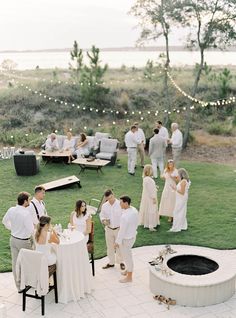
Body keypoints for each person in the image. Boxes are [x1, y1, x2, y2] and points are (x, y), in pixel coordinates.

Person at [2, 192, 34, 291]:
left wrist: (12, 229)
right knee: (30, 262)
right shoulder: (26, 213)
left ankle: (19, 287)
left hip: (13, 239)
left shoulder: (11, 210)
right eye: (29, 200)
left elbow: (4, 221)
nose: (30, 201)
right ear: (25, 201)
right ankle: (30, 282)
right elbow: (31, 230)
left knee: (15, 263)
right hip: (24, 242)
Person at [115, 196, 138, 283]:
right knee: (127, 256)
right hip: (132, 236)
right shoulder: (134, 210)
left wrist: (117, 242)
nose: (119, 204)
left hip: (126, 239)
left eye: (121, 202)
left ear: (126, 203)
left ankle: (129, 277)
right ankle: (128, 271)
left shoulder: (125, 217)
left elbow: (122, 231)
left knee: (127, 257)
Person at [100, 189, 125, 270]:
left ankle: (121, 262)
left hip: (118, 229)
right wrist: (103, 220)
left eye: (111, 197)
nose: (110, 200)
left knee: (120, 246)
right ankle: (111, 263)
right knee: (109, 246)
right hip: (109, 229)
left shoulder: (120, 204)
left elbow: (124, 216)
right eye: (108, 199)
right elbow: (102, 215)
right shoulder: (104, 206)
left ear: (113, 195)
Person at [169, 168, 190, 232]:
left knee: (177, 211)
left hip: (181, 198)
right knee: (181, 211)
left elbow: (182, 192)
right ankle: (181, 225)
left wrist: (175, 189)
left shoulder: (183, 181)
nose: (177, 175)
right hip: (180, 198)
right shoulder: (183, 180)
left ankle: (177, 226)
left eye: (178, 174)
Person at [139, 165, 159, 231]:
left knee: (147, 209)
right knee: (151, 210)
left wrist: (155, 186)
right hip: (150, 197)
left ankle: (146, 222)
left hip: (146, 196)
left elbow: (148, 187)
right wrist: (153, 198)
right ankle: (151, 225)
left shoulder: (145, 178)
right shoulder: (149, 179)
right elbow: (150, 190)